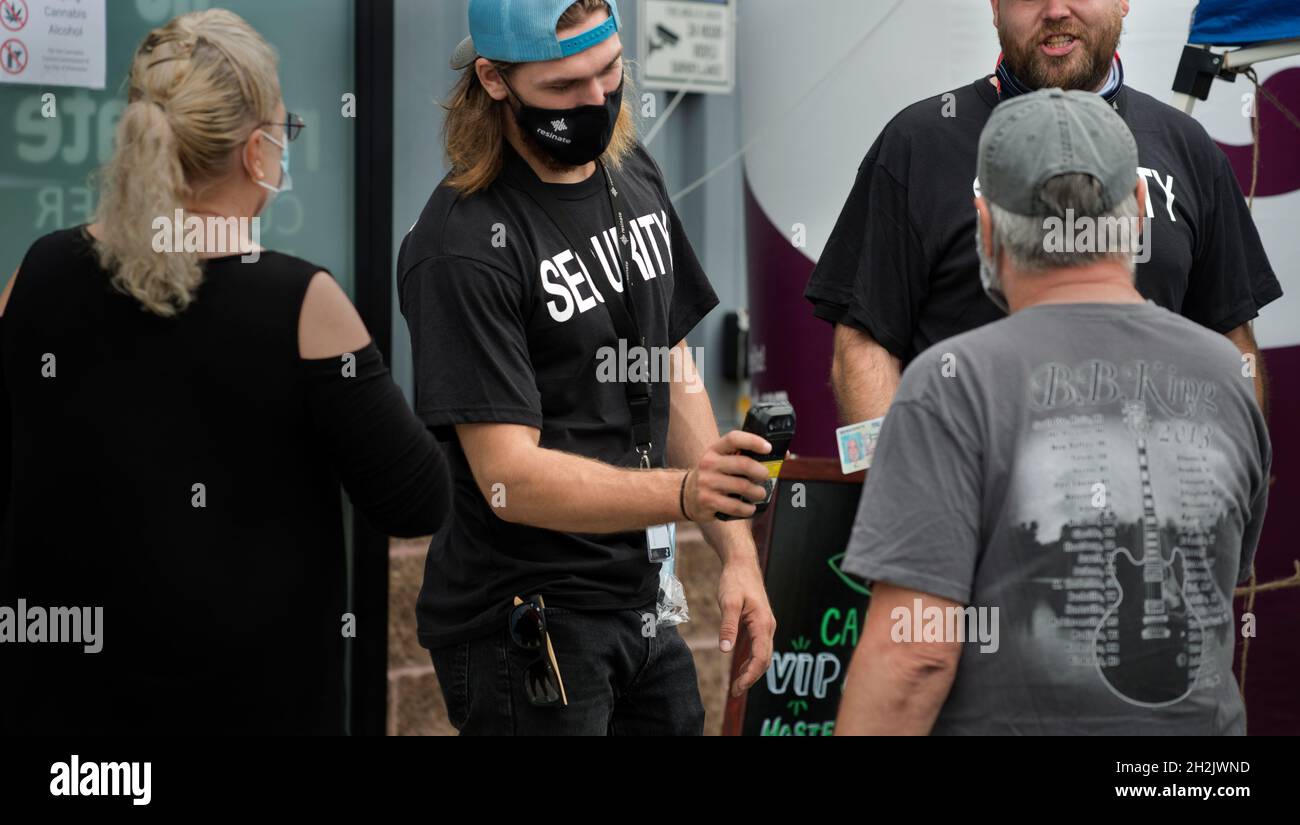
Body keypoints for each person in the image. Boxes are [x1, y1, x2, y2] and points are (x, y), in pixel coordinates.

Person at [0, 9, 452, 735]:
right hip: (249, 710)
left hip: (67, 729)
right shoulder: (302, 303)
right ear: (256, 151)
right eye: (285, 130)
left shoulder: (37, 272)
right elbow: (418, 501)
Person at [835, 89, 1271, 735]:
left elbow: (917, 653)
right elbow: (1219, 580)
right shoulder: (1228, 373)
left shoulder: (951, 384)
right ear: (1143, 212)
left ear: (986, 224)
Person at [399, 0, 776, 735]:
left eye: (610, 75)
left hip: (641, 603)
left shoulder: (630, 171)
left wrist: (736, 553)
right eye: (566, 87)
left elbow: (667, 362)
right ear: (495, 80)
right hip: (526, 620)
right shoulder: (463, 244)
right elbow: (512, 478)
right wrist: (686, 492)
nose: (597, 102)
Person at [805, 0, 1282, 426]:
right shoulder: (920, 141)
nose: (1055, 10)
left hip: (1145, 510)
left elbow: (1230, 342)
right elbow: (865, 344)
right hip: (967, 510)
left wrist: (1225, 499)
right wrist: (897, 495)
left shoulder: (1185, 144)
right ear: (994, 7)